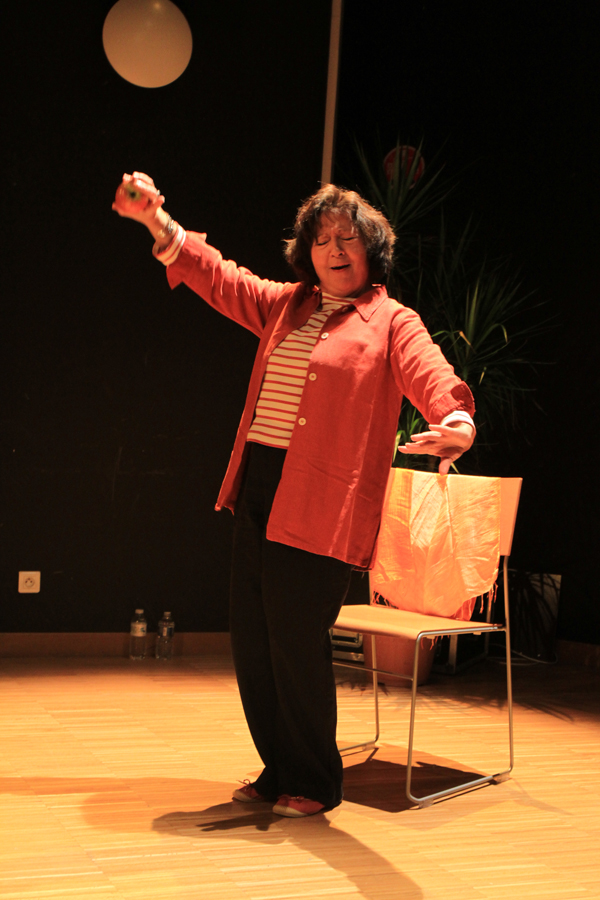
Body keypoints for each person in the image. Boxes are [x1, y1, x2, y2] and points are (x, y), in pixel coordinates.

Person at [112, 172, 476, 817]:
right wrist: (156, 222)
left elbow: (430, 373)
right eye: (322, 239)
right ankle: (278, 767)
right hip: (260, 483)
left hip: (323, 498)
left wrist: (456, 421)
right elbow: (219, 277)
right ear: (307, 251)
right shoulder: (288, 306)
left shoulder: (393, 322)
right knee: (254, 638)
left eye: (348, 238)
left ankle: (313, 780)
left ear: (372, 251)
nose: (335, 249)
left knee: (295, 638)